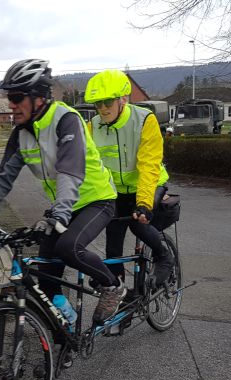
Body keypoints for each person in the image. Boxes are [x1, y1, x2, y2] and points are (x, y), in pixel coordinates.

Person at [0, 59, 127, 325]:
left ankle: (113, 286)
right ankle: (66, 334)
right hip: (63, 206)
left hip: (96, 200)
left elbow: (70, 170)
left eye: (16, 96)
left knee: (68, 247)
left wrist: (58, 216)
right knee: (46, 279)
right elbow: (2, 179)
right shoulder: (22, 133)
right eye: (9, 97)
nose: (11, 104)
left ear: (38, 98)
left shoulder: (66, 120)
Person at [83, 70, 174, 287]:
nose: (102, 108)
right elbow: (87, 169)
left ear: (122, 99)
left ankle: (164, 256)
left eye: (107, 102)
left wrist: (143, 204)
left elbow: (148, 165)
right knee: (112, 236)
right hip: (116, 191)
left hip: (148, 184)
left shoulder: (143, 120)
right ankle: (117, 287)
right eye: (97, 104)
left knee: (137, 222)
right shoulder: (92, 127)